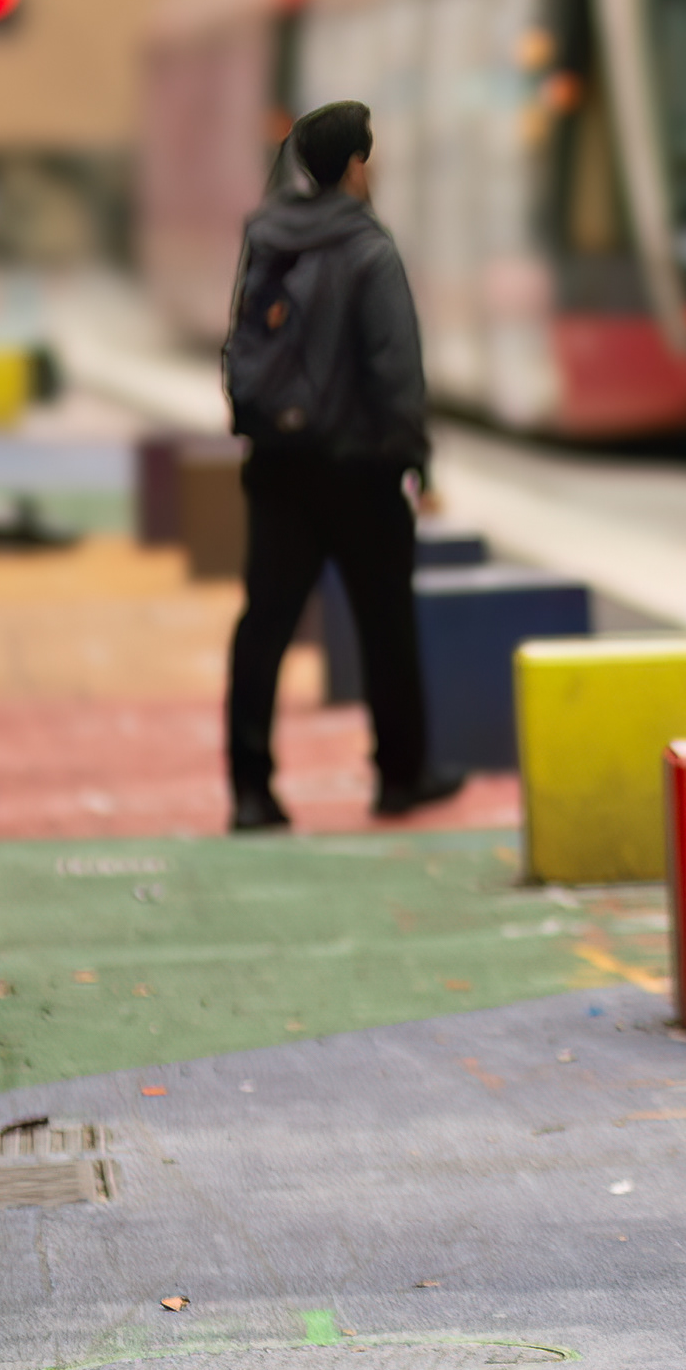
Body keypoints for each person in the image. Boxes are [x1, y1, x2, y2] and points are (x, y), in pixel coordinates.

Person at [217, 100, 465, 832]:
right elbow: (396, 368)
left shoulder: (265, 236)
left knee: (264, 625)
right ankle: (401, 775)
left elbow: (241, 337)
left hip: (278, 463)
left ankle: (251, 790)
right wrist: (417, 459)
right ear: (356, 165)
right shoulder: (370, 248)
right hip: (360, 467)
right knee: (385, 622)